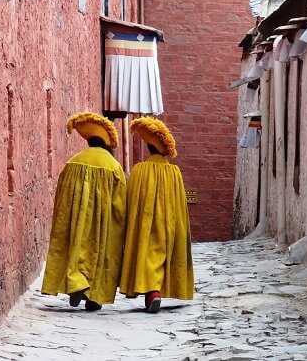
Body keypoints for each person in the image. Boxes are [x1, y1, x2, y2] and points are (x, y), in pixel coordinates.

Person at [41, 112, 127, 311]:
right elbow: (120, 205)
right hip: (103, 223)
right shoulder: (113, 166)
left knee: (76, 248)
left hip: (76, 219)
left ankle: (76, 283)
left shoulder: (73, 162)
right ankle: (94, 297)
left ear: (89, 141)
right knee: (101, 253)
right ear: (106, 143)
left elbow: (62, 194)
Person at [119, 117, 194, 313]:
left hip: (144, 222)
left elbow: (131, 198)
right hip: (168, 223)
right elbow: (179, 203)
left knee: (146, 252)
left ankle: (151, 291)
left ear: (148, 147)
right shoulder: (174, 172)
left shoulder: (139, 170)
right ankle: (156, 291)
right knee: (162, 254)